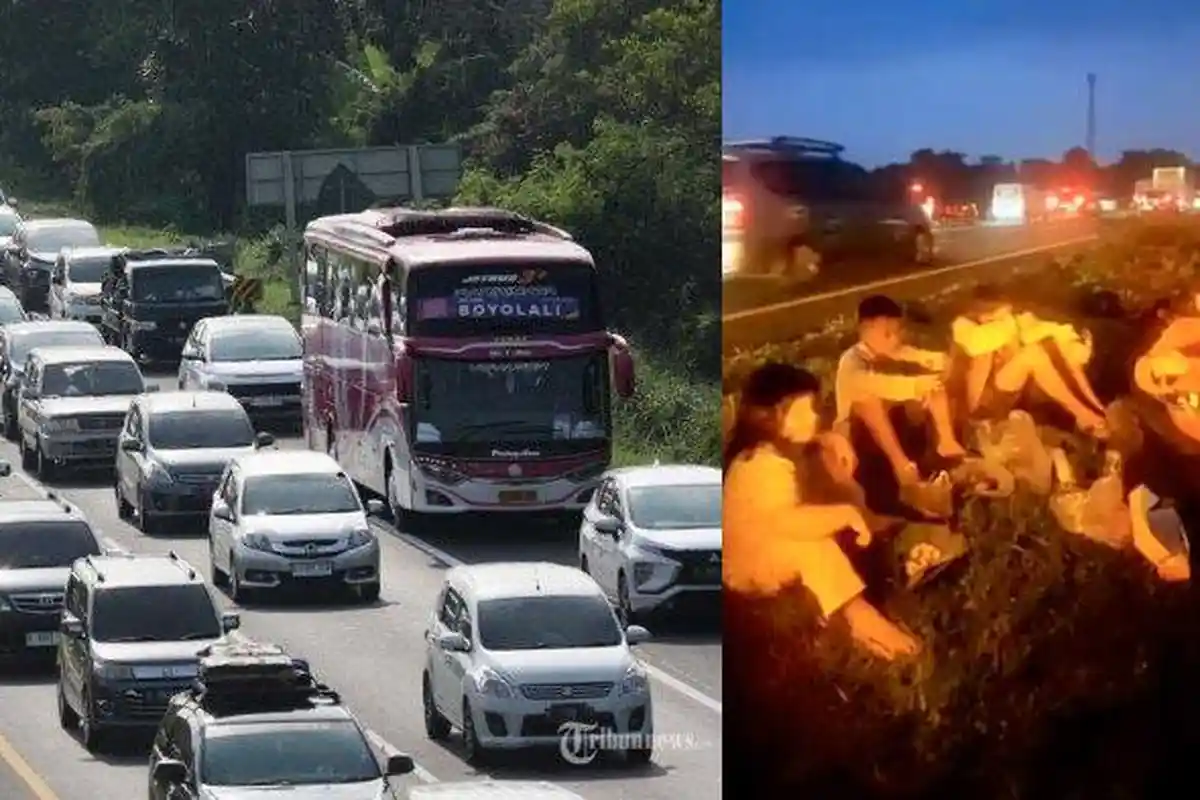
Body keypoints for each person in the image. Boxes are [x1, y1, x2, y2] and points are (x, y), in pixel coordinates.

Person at [724, 361, 921, 660]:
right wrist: (845, 514)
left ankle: (872, 525)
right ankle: (860, 617)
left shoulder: (776, 449)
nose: (816, 416)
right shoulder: (760, 466)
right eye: (805, 411)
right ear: (773, 418)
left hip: (771, 540)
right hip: (750, 567)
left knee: (824, 466)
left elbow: (813, 450)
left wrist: (830, 438)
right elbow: (788, 522)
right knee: (814, 547)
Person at [834, 294, 966, 488]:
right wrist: (916, 386)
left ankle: (946, 442)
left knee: (931, 384)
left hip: (894, 422)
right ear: (864, 331)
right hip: (857, 435)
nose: (894, 339)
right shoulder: (851, 362)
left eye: (897, 331)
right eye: (887, 334)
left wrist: (939, 363)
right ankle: (902, 466)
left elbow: (923, 358)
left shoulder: (894, 352)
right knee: (868, 402)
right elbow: (879, 384)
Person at [950, 284, 1107, 435]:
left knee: (1052, 346)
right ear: (985, 315)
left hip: (1007, 387)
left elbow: (1042, 330)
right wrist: (1013, 324)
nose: (1009, 315)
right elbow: (978, 344)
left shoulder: (1010, 323)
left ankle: (1095, 407)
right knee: (1032, 354)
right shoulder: (965, 328)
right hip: (984, 403)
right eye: (1003, 313)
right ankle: (1082, 413)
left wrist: (1072, 337)